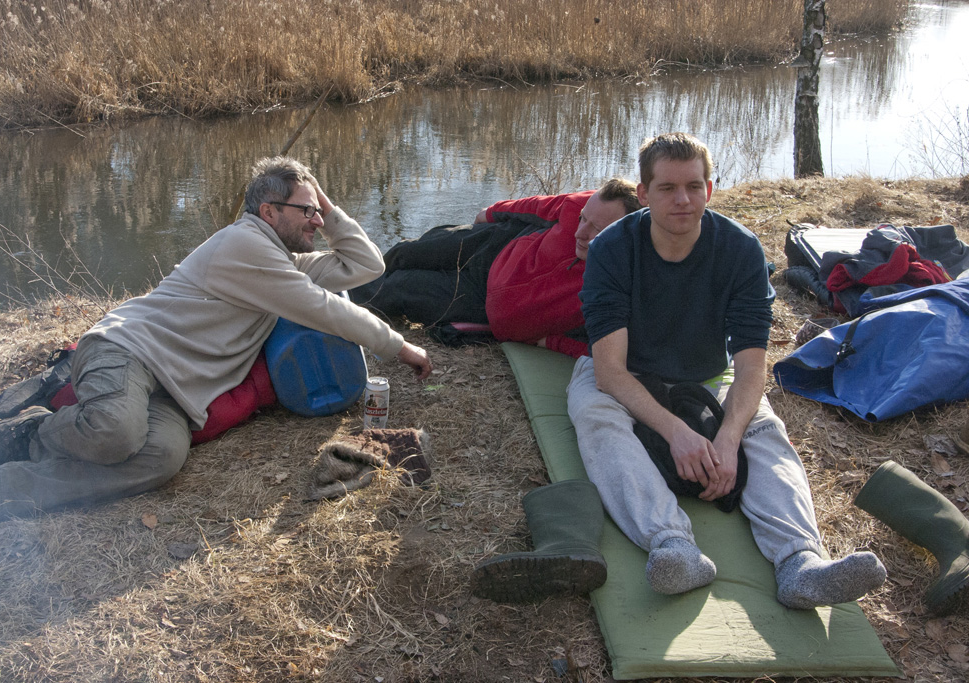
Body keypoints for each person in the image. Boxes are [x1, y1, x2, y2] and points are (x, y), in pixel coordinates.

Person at [0, 156, 433, 527]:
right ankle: (31, 433)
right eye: (306, 211)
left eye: (317, 211)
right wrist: (402, 348)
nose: (317, 221)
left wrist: (324, 202)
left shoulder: (282, 263)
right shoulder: (245, 245)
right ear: (268, 211)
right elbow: (328, 308)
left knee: (161, 459)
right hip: (127, 349)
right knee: (117, 430)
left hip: (174, 393)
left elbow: (367, 265)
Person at [566, 132, 886, 608]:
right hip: (626, 375)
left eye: (693, 186)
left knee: (763, 428)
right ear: (644, 194)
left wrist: (729, 438)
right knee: (596, 416)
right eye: (667, 188)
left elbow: (752, 365)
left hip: (708, 373)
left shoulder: (740, 249)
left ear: (710, 190)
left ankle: (800, 562)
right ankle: (672, 545)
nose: (682, 199)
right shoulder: (612, 248)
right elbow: (610, 371)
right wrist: (677, 432)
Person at [350, 179, 639, 357]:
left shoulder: (617, 289)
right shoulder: (584, 205)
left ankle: (334, 303)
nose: (580, 233)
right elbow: (538, 207)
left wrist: (548, 341)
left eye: (596, 230)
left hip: (480, 304)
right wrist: (491, 213)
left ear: (621, 240)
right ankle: (335, 277)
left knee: (401, 288)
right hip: (494, 245)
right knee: (404, 252)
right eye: (582, 219)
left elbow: (608, 353)